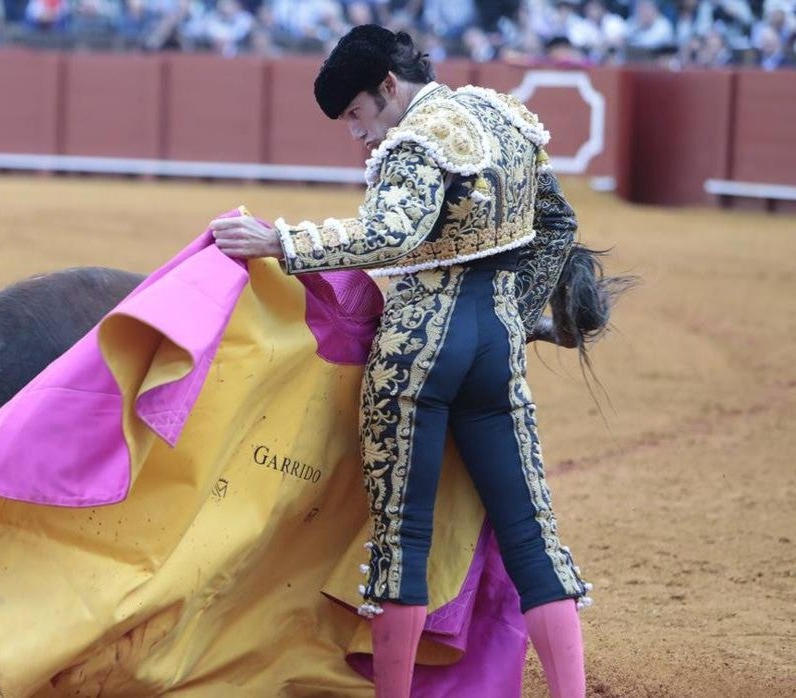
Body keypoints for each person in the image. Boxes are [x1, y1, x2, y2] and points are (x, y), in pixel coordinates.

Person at [209, 24, 605, 698]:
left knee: (402, 541)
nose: (359, 134)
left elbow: (391, 233)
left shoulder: (417, 137)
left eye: (358, 114)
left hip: (417, 353)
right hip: (494, 348)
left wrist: (281, 240)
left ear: (388, 87)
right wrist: (514, 308)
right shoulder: (501, 116)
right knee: (532, 536)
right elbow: (559, 227)